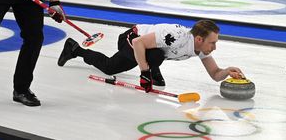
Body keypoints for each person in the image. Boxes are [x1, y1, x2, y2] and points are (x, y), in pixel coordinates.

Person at [57, 20, 245, 92]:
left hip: (147, 49)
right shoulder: (177, 36)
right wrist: (144, 73)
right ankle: (75, 49)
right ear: (199, 39)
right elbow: (139, 43)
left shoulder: (201, 48)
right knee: (152, 57)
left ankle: (75, 49)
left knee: (113, 66)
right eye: (212, 43)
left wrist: (226, 72)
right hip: (131, 38)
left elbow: (214, 74)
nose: (214, 47)